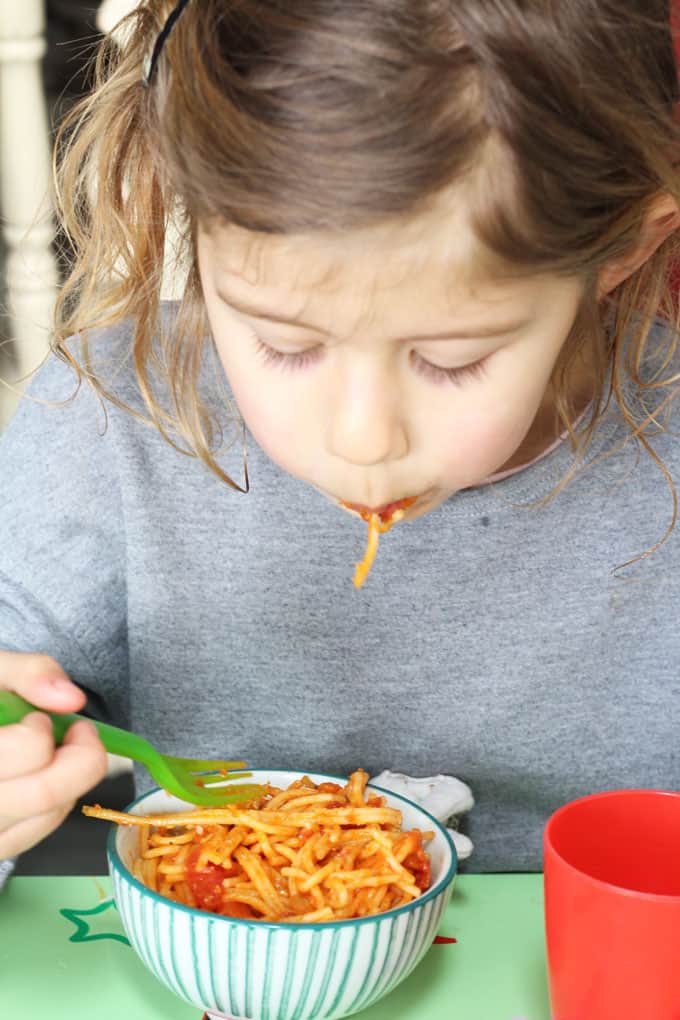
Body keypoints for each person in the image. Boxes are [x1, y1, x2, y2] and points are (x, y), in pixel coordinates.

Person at [1, 0, 679, 880]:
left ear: (624, 246)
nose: (362, 440)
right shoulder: (112, 416)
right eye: (286, 344)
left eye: (451, 359)